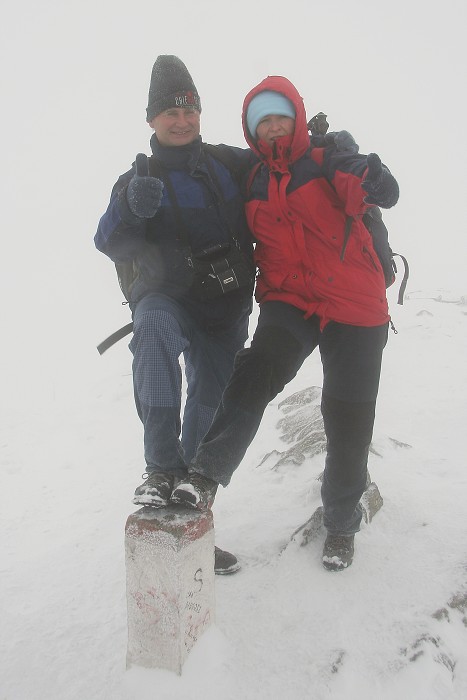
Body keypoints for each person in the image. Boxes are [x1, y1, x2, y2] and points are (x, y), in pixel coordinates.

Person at [170, 75, 400, 572]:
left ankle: (341, 524)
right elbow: (199, 154)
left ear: (296, 119)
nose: (273, 128)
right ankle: (205, 475)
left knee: (347, 418)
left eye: (280, 118)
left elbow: (363, 183)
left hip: (354, 306)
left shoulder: (327, 160)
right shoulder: (249, 172)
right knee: (252, 375)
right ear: (252, 130)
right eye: (262, 121)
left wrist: (376, 181)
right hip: (290, 300)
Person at [94, 55, 257, 575]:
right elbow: (108, 241)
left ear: (200, 112)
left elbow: (282, 167)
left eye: (188, 109)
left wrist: (327, 152)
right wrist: (131, 209)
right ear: (151, 120)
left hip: (226, 312)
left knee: (209, 414)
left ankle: (189, 518)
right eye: (169, 111)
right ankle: (159, 466)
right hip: (168, 299)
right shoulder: (138, 177)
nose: (181, 119)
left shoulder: (229, 164)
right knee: (155, 329)